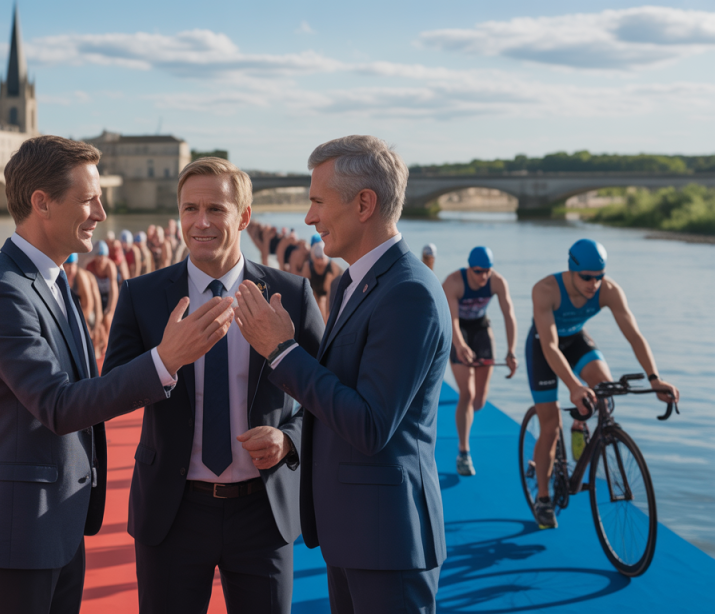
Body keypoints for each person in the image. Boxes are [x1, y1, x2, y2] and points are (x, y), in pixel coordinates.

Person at [0, 135, 234, 614]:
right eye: (88, 200)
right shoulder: (2, 291)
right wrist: (166, 360)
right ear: (41, 203)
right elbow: (59, 406)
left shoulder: (53, 279)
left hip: (57, 521)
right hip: (19, 531)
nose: (101, 213)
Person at [234, 135, 448, 614]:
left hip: (388, 542)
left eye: (317, 201)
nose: (309, 217)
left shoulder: (408, 293)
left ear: (365, 203)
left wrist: (282, 352)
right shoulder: (355, 280)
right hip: (354, 535)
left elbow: (370, 425)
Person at [103, 157, 324, 614]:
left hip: (263, 512)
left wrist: (288, 439)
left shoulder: (292, 295)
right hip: (173, 511)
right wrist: (164, 361)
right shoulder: (141, 296)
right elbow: (109, 393)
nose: (200, 223)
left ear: (243, 216)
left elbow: (325, 396)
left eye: (216, 209)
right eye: (189, 209)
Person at [527, 239, 679, 530]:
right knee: (549, 426)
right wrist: (573, 386)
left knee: (605, 390)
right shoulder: (545, 290)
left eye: (600, 277)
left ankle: (580, 425)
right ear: (572, 269)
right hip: (544, 348)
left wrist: (654, 378)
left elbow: (634, 335)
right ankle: (544, 498)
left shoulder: (609, 291)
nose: (594, 284)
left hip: (576, 341)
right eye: (587, 277)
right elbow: (549, 346)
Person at [442, 246, 518, 477]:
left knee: (480, 401)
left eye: (486, 271)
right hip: (459, 331)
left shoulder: (497, 282)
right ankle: (463, 452)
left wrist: (511, 351)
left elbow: (509, 314)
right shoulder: (453, 282)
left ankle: (466, 418)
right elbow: (452, 320)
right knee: (467, 393)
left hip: (481, 328)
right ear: (469, 268)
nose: (483, 276)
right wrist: (460, 345)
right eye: (478, 271)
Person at [63, 253, 105, 359]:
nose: (69, 271)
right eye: (66, 267)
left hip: (91, 309)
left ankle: (97, 350)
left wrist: (79, 323)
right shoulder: (62, 275)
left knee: (92, 328)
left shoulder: (81, 276)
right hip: (79, 308)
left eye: (72, 266)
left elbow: (89, 304)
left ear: (76, 265)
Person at [85, 240, 119, 353]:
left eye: (103, 256)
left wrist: (110, 308)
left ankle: (108, 344)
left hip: (108, 295)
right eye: (98, 256)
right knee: (97, 320)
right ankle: (100, 342)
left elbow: (114, 290)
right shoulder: (90, 267)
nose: (100, 259)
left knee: (108, 318)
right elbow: (88, 291)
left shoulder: (110, 266)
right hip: (96, 296)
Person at [302, 241, 341, 323]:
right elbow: (303, 289)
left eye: (322, 259)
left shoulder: (333, 268)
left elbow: (330, 295)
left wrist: (328, 316)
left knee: (323, 303)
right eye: (317, 259)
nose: (320, 262)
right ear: (313, 257)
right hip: (314, 290)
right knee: (313, 304)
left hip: (326, 292)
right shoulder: (308, 267)